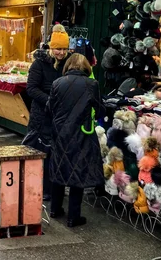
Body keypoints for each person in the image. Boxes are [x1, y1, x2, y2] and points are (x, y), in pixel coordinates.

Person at [47, 53, 104, 228]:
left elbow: (49, 108)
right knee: (77, 172)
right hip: (81, 133)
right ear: (86, 67)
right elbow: (99, 109)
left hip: (60, 133)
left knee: (59, 169)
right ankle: (73, 216)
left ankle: (55, 209)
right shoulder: (91, 84)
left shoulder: (57, 83)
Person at [22, 24, 71, 200]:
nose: (61, 52)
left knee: (54, 154)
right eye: (58, 48)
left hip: (59, 117)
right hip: (41, 116)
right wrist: (50, 100)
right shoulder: (39, 64)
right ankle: (33, 186)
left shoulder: (68, 62)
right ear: (51, 47)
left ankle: (50, 190)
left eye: (64, 49)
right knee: (37, 152)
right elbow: (31, 88)